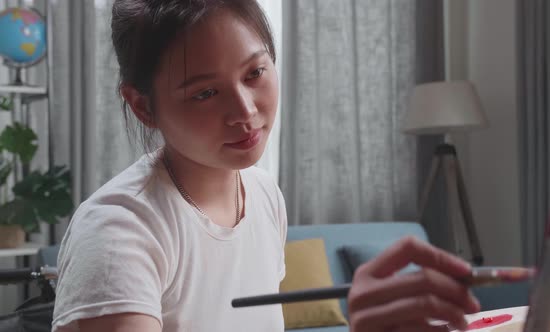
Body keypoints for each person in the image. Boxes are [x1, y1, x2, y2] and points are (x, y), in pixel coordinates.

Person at [51, 1, 480, 331]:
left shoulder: (262, 196)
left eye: (255, 72)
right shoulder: (118, 233)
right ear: (144, 106)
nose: (245, 109)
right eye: (205, 94)